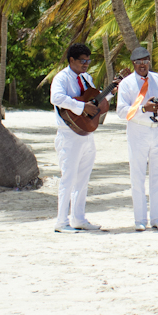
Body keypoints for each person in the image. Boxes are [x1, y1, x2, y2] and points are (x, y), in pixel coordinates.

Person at [49, 43, 117, 233]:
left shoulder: (87, 79)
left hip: (86, 133)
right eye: (82, 61)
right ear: (71, 60)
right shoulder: (61, 78)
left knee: (83, 179)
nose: (86, 64)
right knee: (68, 178)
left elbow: (96, 101)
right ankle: (61, 222)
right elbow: (56, 98)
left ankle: (78, 218)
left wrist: (111, 92)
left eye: (88, 61)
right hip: (68, 134)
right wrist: (81, 107)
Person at [116, 47, 158, 231]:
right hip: (138, 131)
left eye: (145, 61)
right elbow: (121, 111)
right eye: (138, 62)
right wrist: (143, 109)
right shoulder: (127, 84)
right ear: (133, 64)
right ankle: (140, 220)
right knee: (137, 175)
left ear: (149, 61)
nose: (142, 65)